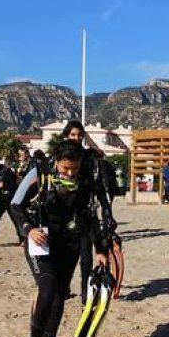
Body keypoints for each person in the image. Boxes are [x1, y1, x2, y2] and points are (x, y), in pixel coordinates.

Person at [8, 140, 109, 337]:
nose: (70, 173)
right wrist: (28, 229)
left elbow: (90, 217)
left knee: (60, 293)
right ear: (56, 161)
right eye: (66, 168)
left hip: (69, 242)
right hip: (41, 240)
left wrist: (100, 249)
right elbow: (16, 205)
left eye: (75, 168)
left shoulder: (84, 181)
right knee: (47, 286)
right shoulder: (39, 174)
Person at [58, 121, 116, 296]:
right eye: (73, 135)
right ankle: (63, 288)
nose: (77, 138)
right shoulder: (59, 156)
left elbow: (99, 187)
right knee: (63, 257)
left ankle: (85, 294)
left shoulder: (90, 159)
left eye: (79, 135)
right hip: (62, 214)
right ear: (66, 136)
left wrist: (107, 213)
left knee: (86, 257)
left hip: (84, 212)